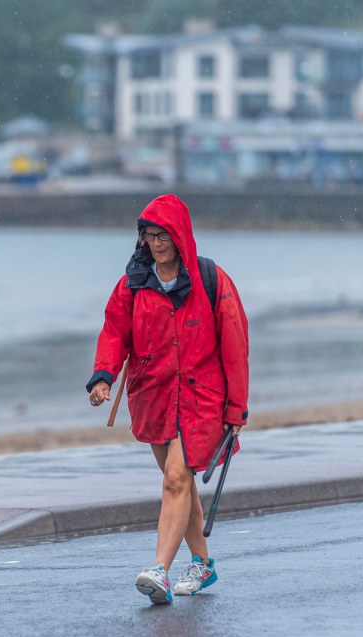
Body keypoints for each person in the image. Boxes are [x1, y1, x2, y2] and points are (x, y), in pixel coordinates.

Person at [86, 194, 249, 605]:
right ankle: (203, 564)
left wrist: (237, 410)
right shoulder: (132, 284)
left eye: (163, 235)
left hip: (204, 399)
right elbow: (113, 331)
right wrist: (102, 377)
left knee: (177, 478)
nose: (156, 243)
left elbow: (235, 346)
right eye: (149, 235)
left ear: (180, 236)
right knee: (182, 482)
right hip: (153, 395)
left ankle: (158, 569)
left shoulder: (212, 280)